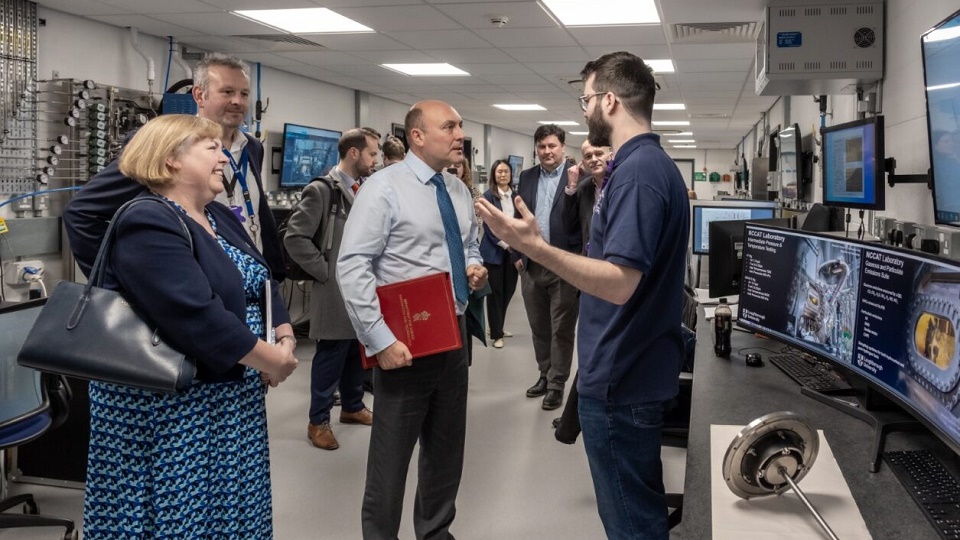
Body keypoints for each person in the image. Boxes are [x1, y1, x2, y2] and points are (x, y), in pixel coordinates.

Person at [477, 51, 690, 539]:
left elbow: (618, 282)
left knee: (631, 525)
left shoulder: (638, 174)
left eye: (587, 99)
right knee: (640, 510)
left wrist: (534, 247)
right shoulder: (644, 167)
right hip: (630, 369)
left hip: (623, 377)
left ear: (610, 101)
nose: (584, 110)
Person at [71, 114, 299, 538]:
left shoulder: (219, 216)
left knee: (228, 509)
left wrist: (283, 332)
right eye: (211, 148)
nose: (224, 158)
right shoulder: (147, 221)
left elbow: (262, 276)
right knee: (178, 518)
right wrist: (271, 359)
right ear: (171, 159)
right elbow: (196, 315)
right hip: (171, 409)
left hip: (228, 400)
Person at [337, 100, 487, 539]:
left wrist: (473, 268)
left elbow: (469, 244)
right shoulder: (384, 188)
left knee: (445, 451)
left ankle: (436, 532)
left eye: (460, 125)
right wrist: (379, 340)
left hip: (453, 334)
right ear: (417, 136)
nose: (459, 134)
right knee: (391, 459)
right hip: (404, 342)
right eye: (449, 126)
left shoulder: (457, 190)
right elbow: (353, 265)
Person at [64, 53, 285, 280]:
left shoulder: (252, 147)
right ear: (200, 95)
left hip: (251, 283)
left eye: (244, 94)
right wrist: (117, 280)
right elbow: (82, 212)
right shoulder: (165, 145)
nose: (237, 101)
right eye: (227, 92)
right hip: (195, 286)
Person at [284, 128, 379, 451]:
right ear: (354, 154)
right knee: (331, 354)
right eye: (372, 154)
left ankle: (352, 407)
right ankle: (318, 421)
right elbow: (295, 238)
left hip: (362, 286)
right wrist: (326, 273)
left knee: (356, 349)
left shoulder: (363, 189)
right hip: (334, 288)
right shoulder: (322, 190)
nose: (375, 161)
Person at [514, 124, 580, 411]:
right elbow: (517, 215)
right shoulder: (527, 176)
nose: (547, 151)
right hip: (531, 264)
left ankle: (557, 384)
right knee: (539, 326)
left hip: (563, 264)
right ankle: (544, 374)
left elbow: (583, 220)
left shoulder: (579, 176)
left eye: (552, 146)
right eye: (542, 146)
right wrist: (517, 254)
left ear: (563, 147)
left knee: (561, 329)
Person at [553, 140, 612, 442]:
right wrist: (572, 186)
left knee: (598, 352)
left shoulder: (622, 185)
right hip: (589, 277)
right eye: (587, 155)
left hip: (614, 278)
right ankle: (573, 419)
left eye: (599, 153)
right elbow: (568, 226)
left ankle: (572, 421)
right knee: (587, 349)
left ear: (611, 154)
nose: (593, 158)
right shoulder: (587, 187)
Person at [449, 156, 490, 365]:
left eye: (458, 164)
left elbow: (472, 238)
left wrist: (474, 262)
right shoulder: (388, 186)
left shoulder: (465, 192)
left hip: (461, 295)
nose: (454, 167)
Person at [481, 159, 520, 349]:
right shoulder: (488, 196)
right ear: (493, 175)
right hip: (495, 252)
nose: (503, 175)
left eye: (506, 171)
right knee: (495, 294)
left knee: (509, 290)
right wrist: (506, 245)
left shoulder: (517, 197)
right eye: (499, 172)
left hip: (513, 252)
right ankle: (496, 334)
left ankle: (499, 325)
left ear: (511, 174)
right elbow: (488, 227)